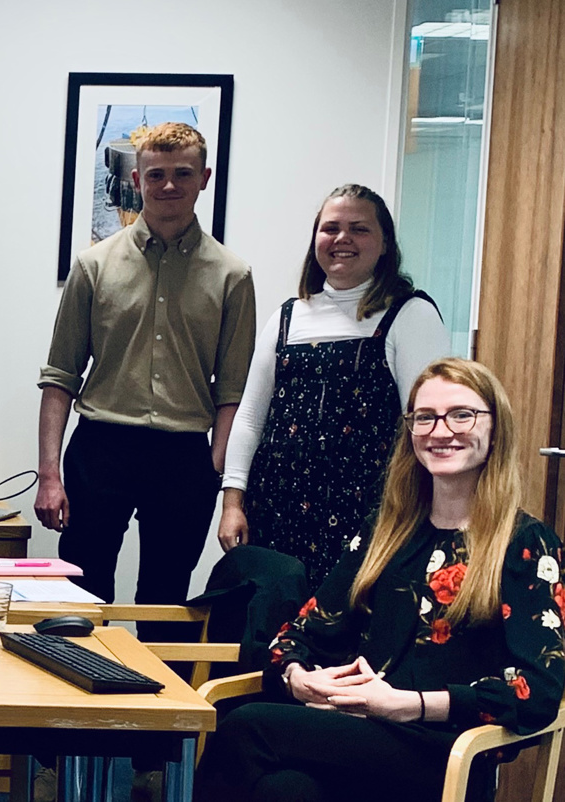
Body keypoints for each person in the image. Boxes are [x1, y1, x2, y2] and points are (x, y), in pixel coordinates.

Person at [196, 357, 565, 802]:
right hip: (358, 744)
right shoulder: (386, 532)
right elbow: (297, 634)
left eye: (461, 414)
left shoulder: (526, 544)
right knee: (284, 789)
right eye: (424, 417)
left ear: (494, 429)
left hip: (448, 757)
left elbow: (539, 690)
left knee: (246, 726)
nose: (440, 430)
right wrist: (299, 678)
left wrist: (411, 705)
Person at [35, 122, 256, 629]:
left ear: (205, 177)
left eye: (182, 173)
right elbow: (60, 376)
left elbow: (233, 391)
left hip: (183, 458)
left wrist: (215, 469)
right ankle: (77, 701)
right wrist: (50, 475)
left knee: (165, 597)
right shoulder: (93, 266)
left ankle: (155, 705)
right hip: (101, 448)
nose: (169, 185)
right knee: (83, 594)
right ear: (137, 179)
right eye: (156, 175)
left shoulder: (232, 275)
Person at [218, 183, 450, 589]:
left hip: (370, 515)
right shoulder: (286, 318)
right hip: (276, 512)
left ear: (384, 244)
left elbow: (429, 424)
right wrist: (232, 503)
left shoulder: (410, 316)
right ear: (315, 242)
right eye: (331, 228)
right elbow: (251, 418)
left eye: (359, 229)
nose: (342, 239)